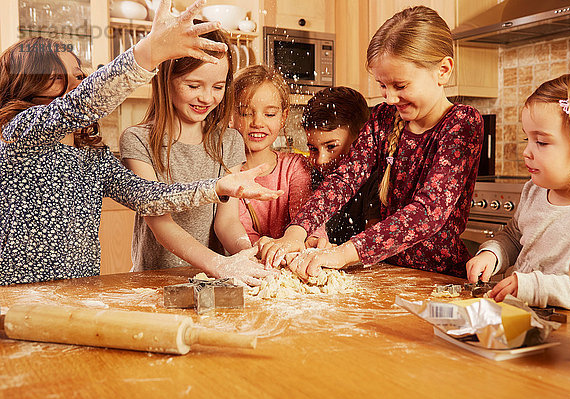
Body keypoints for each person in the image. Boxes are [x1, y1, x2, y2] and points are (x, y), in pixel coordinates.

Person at [0, 0, 281, 285]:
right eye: (61, 77)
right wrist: (149, 53)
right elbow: (79, 104)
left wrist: (216, 187)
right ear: (27, 83)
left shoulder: (91, 157)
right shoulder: (19, 135)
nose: (80, 83)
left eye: (80, 75)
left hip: (77, 292)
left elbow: (149, 197)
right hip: (17, 297)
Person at [258, 6, 484, 280]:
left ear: (443, 71)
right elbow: (344, 179)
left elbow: (428, 212)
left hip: (440, 277)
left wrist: (343, 253)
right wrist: (297, 231)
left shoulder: (462, 123)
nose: (389, 98)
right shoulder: (383, 118)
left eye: (400, 86)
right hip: (385, 270)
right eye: (382, 85)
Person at [119, 17, 276, 286]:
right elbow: (161, 224)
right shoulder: (138, 140)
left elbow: (225, 223)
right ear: (165, 79)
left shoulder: (229, 140)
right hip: (155, 280)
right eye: (193, 86)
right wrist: (218, 263)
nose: (207, 98)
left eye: (217, 87)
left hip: (216, 281)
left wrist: (245, 255)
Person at [466, 71, 570, 310]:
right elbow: (514, 238)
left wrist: (532, 287)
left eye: (541, 142)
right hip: (520, 312)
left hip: (569, 329)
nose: (527, 151)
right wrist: (493, 254)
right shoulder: (534, 191)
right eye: (526, 139)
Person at [214, 65, 327, 254]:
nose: (258, 122)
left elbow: (306, 212)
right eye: (246, 113)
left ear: (283, 117)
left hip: (292, 261)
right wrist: (258, 251)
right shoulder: (226, 171)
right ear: (230, 116)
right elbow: (234, 228)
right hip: (249, 264)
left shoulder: (295, 166)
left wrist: (315, 238)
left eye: (269, 114)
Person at [302, 86, 380, 246]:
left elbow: (372, 243)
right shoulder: (309, 175)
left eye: (331, 147)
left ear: (362, 137)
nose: (321, 160)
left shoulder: (376, 181)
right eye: (313, 149)